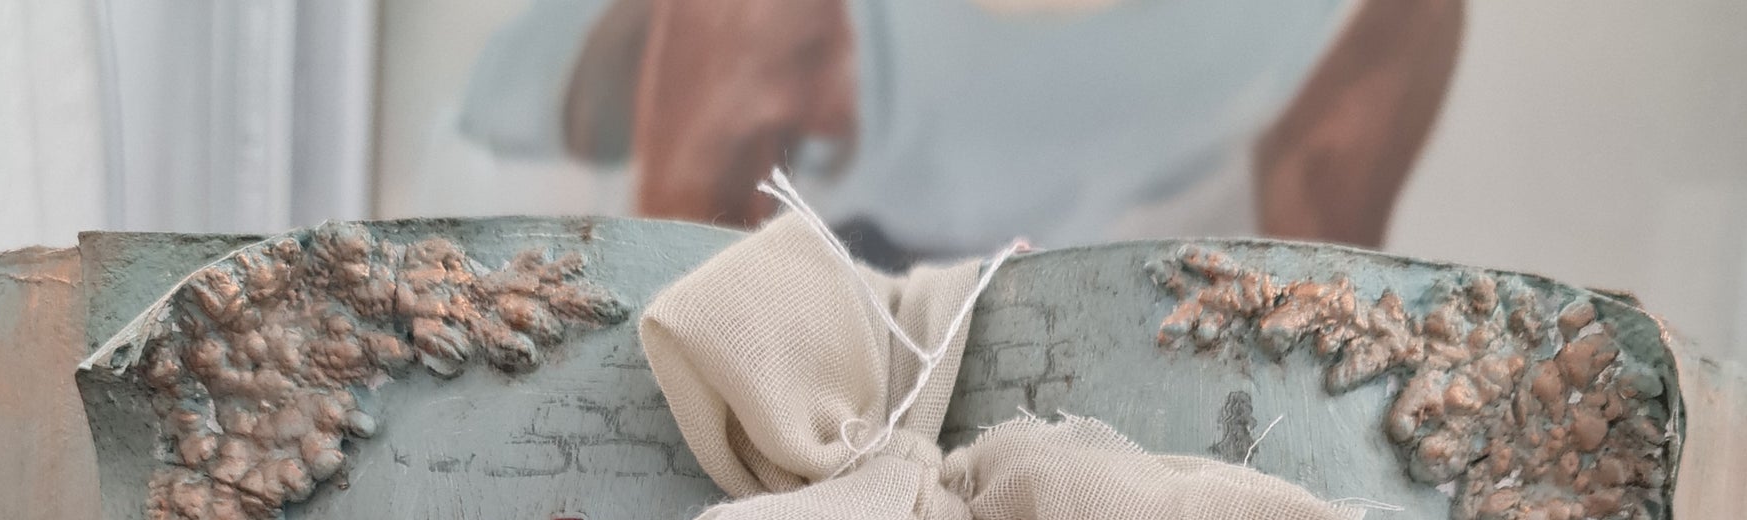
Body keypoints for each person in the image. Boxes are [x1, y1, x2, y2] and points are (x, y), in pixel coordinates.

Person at [457, 0, 1464, 261]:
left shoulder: (1370, 20)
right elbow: (672, 332)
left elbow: (1316, 368)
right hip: (524, 179)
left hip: (987, 294)